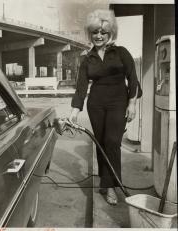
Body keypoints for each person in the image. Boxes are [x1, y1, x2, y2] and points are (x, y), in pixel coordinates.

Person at [69, 9, 140, 205]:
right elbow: (81, 87)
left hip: (119, 102)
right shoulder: (87, 58)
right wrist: (74, 111)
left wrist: (132, 104)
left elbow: (133, 79)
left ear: (110, 33)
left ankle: (111, 187)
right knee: (100, 143)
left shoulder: (121, 52)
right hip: (96, 104)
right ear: (90, 34)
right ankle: (105, 183)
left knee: (112, 142)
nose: (99, 36)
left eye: (103, 32)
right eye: (95, 32)